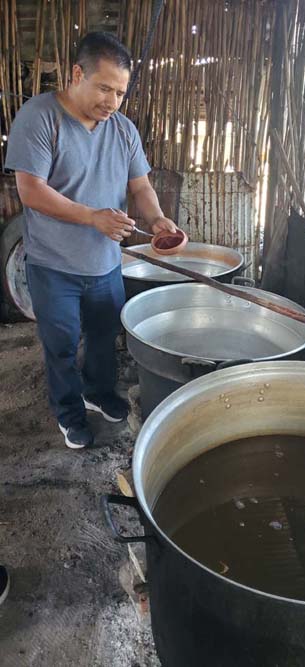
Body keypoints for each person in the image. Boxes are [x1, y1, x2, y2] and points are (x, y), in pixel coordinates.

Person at [5, 32, 177, 449]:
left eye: (119, 92)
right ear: (77, 74)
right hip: (53, 265)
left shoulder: (122, 130)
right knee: (61, 345)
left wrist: (157, 220)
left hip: (104, 264)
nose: (112, 101)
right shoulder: (39, 116)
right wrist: (91, 217)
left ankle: (97, 393)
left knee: (103, 337)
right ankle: (68, 412)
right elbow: (31, 191)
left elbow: (141, 186)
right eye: (104, 88)